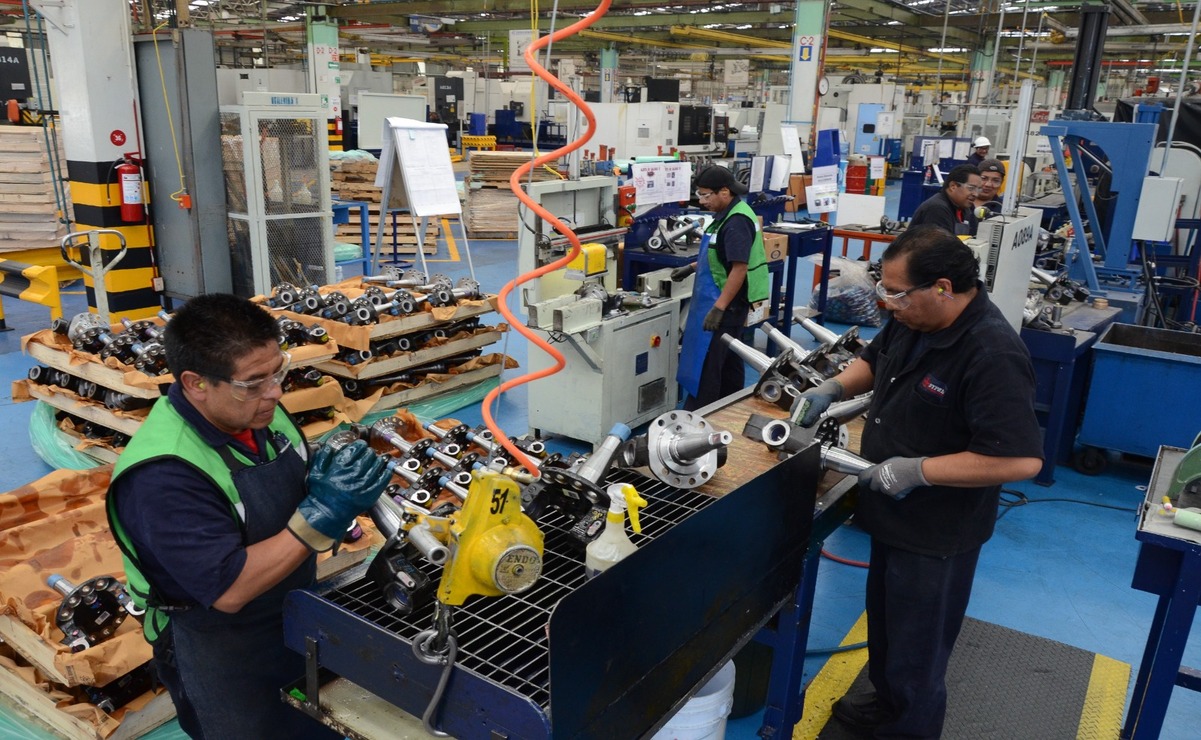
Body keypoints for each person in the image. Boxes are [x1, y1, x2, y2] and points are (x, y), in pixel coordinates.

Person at [794, 226, 1043, 739]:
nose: (886, 303)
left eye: (896, 292)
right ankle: (886, 704)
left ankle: (909, 727)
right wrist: (833, 387)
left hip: (937, 532)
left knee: (918, 650)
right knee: (886, 628)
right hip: (892, 515)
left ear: (944, 288)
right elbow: (874, 360)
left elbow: (1020, 461)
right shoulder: (915, 317)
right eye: (883, 289)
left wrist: (919, 470)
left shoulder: (991, 353)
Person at [106, 294, 392, 740]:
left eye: (278, 371)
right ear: (196, 383)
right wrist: (324, 511)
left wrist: (324, 472)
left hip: (293, 612)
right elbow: (229, 589)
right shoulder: (163, 475)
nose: (276, 392)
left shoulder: (260, 412)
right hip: (221, 650)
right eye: (254, 382)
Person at [674, 166, 769, 410]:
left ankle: (696, 418)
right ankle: (731, 409)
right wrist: (693, 267)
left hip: (726, 302)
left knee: (707, 364)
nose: (702, 201)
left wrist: (719, 308)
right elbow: (722, 256)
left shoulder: (736, 221)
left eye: (706, 195)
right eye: (700, 195)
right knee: (730, 362)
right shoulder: (730, 213)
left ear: (724, 191)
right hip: (727, 299)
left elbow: (739, 268)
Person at [909, 164, 981, 237]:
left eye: (978, 189)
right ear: (953, 186)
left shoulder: (965, 208)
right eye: (971, 188)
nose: (976, 194)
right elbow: (941, 246)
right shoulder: (937, 209)